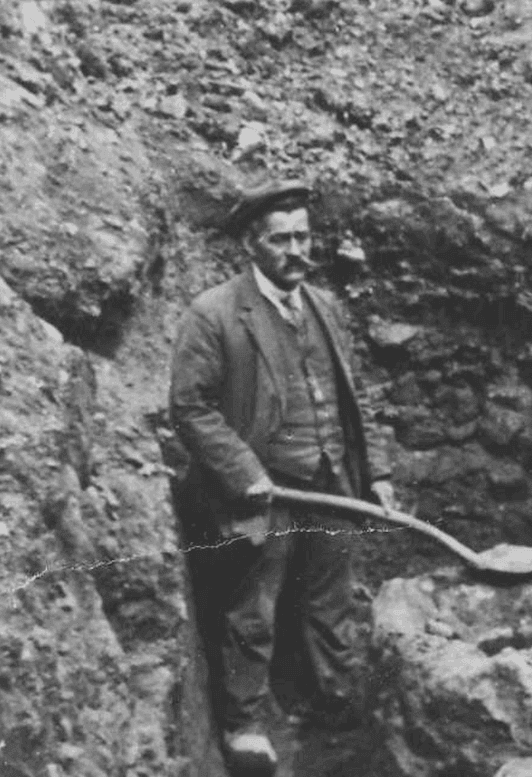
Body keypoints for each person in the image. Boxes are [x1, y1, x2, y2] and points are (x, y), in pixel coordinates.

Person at [169, 180, 395, 771]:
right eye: (282, 240)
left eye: (304, 236)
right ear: (252, 245)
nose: (298, 250)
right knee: (254, 606)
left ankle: (337, 712)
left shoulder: (324, 307)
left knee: (331, 599)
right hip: (262, 491)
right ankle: (245, 726)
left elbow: (352, 398)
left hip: (331, 481)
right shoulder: (215, 314)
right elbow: (190, 406)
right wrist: (243, 470)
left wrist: (378, 475)